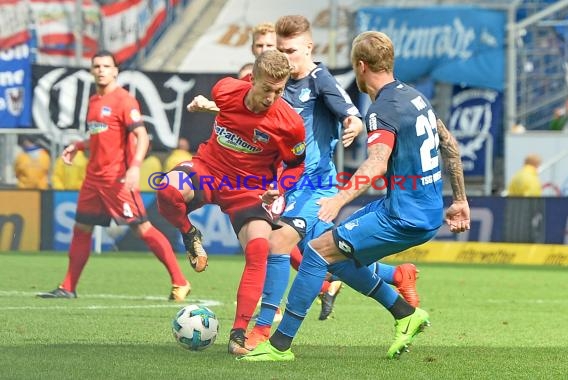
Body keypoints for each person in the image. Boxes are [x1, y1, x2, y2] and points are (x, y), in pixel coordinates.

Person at [238, 31, 471, 362]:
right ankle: (406, 312)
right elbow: (449, 143)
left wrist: (338, 199)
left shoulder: (381, 109)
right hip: (412, 207)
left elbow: (376, 163)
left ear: (360, 67)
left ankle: (278, 346)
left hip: (404, 217)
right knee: (332, 251)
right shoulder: (415, 97)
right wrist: (460, 200)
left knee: (318, 254)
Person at [155, 50, 306, 355]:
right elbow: (226, 109)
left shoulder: (289, 124)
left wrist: (280, 187)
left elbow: (296, 164)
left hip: (250, 190)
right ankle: (189, 233)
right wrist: (203, 105)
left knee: (259, 248)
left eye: (279, 91)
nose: (271, 98)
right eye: (266, 89)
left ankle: (239, 333)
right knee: (166, 189)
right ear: (252, 80)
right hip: (208, 170)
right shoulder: (224, 90)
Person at [37, 50, 191, 302]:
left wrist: (134, 167)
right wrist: (78, 145)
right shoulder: (94, 101)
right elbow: (100, 137)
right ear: (91, 70)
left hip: (117, 180)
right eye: (96, 65)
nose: (101, 70)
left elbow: (141, 136)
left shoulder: (124, 101)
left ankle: (180, 281)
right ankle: (68, 287)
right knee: (81, 228)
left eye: (106, 66)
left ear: (116, 70)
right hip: (93, 180)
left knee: (143, 228)